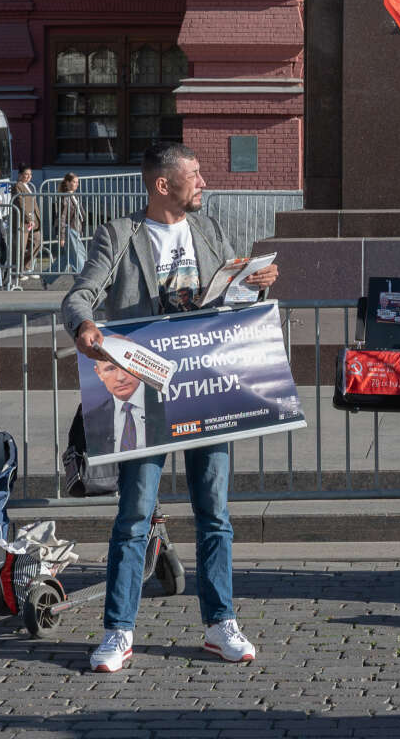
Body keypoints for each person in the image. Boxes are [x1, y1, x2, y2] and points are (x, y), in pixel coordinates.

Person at [62, 141, 279, 673]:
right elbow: (79, 295)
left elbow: (228, 297)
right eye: (196, 175)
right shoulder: (120, 233)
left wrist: (254, 282)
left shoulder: (207, 229)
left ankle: (219, 622)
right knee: (134, 515)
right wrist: (85, 327)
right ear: (164, 184)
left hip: (207, 386)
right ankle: (118, 631)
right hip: (141, 390)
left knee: (215, 513)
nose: (203, 182)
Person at [81, 357, 167, 458]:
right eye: (110, 369)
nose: (120, 377)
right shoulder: (92, 418)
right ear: (99, 373)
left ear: (139, 365)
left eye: (126, 366)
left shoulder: (166, 403)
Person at [57, 172, 87, 274]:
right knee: (79, 256)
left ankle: (46, 277)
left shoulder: (74, 196)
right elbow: (62, 217)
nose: (77, 184)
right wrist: (62, 236)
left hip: (75, 230)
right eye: (74, 182)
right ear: (68, 182)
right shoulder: (65, 197)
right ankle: (80, 279)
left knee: (67, 258)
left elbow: (80, 215)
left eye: (77, 182)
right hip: (69, 230)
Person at [14, 166, 42, 279]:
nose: (29, 176)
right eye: (26, 174)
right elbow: (21, 203)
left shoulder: (29, 186)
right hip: (24, 221)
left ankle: (26, 267)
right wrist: (28, 218)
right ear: (20, 175)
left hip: (33, 221)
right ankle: (19, 271)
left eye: (30, 174)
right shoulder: (17, 186)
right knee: (21, 247)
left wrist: (36, 218)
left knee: (37, 242)